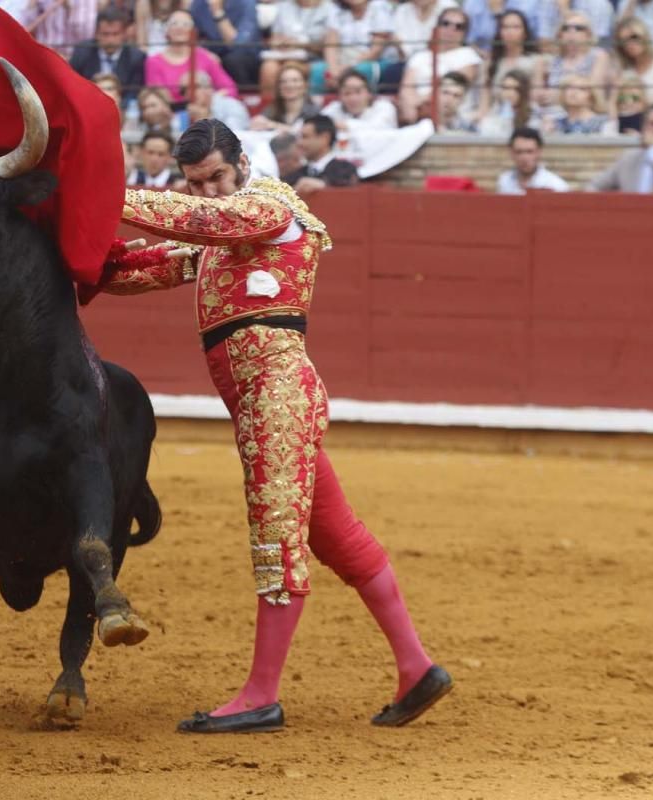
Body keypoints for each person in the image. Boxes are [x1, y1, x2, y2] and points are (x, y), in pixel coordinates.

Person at [93, 118, 452, 734]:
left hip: (277, 398)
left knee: (276, 535)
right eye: (195, 184)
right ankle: (417, 668)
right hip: (265, 399)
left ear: (242, 162)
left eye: (216, 178)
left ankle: (262, 694)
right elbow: (135, 268)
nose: (208, 193)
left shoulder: (268, 208)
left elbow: (198, 221)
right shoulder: (218, 233)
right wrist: (67, 251)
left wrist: (95, 195)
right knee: (338, 538)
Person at [397, 6, 481, 124]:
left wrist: (419, 104)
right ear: (437, 26)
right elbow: (406, 88)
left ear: (465, 34)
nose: (451, 29)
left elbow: (454, 85)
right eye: (446, 23)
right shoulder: (419, 56)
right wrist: (413, 107)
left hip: (448, 113)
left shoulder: (469, 56)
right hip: (415, 110)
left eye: (459, 27)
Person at [144, 10, 238, 102]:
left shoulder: (206, 57)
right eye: (174, 23)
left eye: (186, 24)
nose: (179, 28)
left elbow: (230, 89)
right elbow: (158, 98)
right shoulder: (154, 62)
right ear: (166, 30)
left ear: (194, 31)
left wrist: (209, 99)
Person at [477, 10, 544, 129]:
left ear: (525, 32)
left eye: (516, 27)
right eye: (505, 27)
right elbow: (485, 101)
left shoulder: (535, 61)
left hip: (526, 118)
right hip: (496, 117)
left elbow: (536, 97)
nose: (510, 32)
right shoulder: (490, 63)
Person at [70, 7, 146, 107]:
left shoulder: (136, 57)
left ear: (124, 34)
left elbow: (133, 94)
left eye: (115, 34)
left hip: (122, 110)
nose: (110, 39)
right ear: (96, 34)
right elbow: (74, 88)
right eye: (105, 34)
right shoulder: (82, 52)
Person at [259, 0, 335, 98]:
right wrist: (279, 42)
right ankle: (270, 109)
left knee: (290, 67)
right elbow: (275, 36)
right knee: (268, 67)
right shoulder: (283, 6)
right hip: (284, 54)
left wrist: (300, 45)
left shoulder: (330, 8)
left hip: (314, 56)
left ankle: (295, 109)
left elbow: (329, 45)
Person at [541, 12, 611, 111]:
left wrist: (556, 95)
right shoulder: (549, 61)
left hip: (585, 115)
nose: (571, 32)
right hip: (549, 115)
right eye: (566, 28)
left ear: (588, 34)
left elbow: (593, 92)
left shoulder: (598, 56)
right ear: (560, 35)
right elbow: (538, 96)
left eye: (578, 28)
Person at [189, 0, 261, 89]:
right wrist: (205, 54)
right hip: (213, 51)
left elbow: (239, 45)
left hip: (244, 56)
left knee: (234, 60)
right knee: (196, 58)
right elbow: (193, 38)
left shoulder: (246, 3)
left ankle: (239, 99)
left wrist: (217, 12)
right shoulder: (198, 4)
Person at [611, 17, 653, 105]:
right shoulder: (624, 71)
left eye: (634, 37)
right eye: (624, 41)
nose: (630, 44)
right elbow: (614, 104)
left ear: (644, 36)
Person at [289, 113, 358, 190]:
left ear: (325, 138)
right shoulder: (296, 174)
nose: (299, 143)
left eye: (305, 137)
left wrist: (324, 186)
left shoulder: (346, 170)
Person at [250, 60, 320, 132]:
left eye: (295, 80)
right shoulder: (272, 109)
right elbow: (257, 123)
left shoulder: (314, 111)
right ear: (278, 87)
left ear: (305, 84)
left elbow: (306, 133)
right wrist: (257, 123)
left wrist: (272, 125)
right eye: (283, 81)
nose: (289, 85)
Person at [497, 126, 571, 192]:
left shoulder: (555, 185)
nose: (524, 158)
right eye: (519, 152)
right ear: (511, 152)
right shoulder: (505, 181)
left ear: (539, 152)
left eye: (529, 152)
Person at [320, 68, 398, 130]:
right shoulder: (335, 107)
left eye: (358, 92)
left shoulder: (384, 107)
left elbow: (377, 129)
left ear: (369, 93)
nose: (353, 98)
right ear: (340, 97)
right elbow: (317, 124)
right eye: (347, 93)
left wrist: (344, 126)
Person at [179, 69, 251, 130]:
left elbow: (233, 136)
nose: (188, 93)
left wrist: (205, 119)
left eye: (195, 87)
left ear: (209, 88)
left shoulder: (232, 106)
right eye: (184, 90)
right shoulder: (183, 113)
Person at [546, 73, 614, 133]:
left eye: (581, 89)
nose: (574, 92)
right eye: (569, 88)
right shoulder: (556, 123)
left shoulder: (603, 122)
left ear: (591, 96)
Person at [478, 68, 538, 137]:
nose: (509, 93)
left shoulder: (534, 114)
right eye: (505, 88)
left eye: (515, 89)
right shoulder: (494, 114)